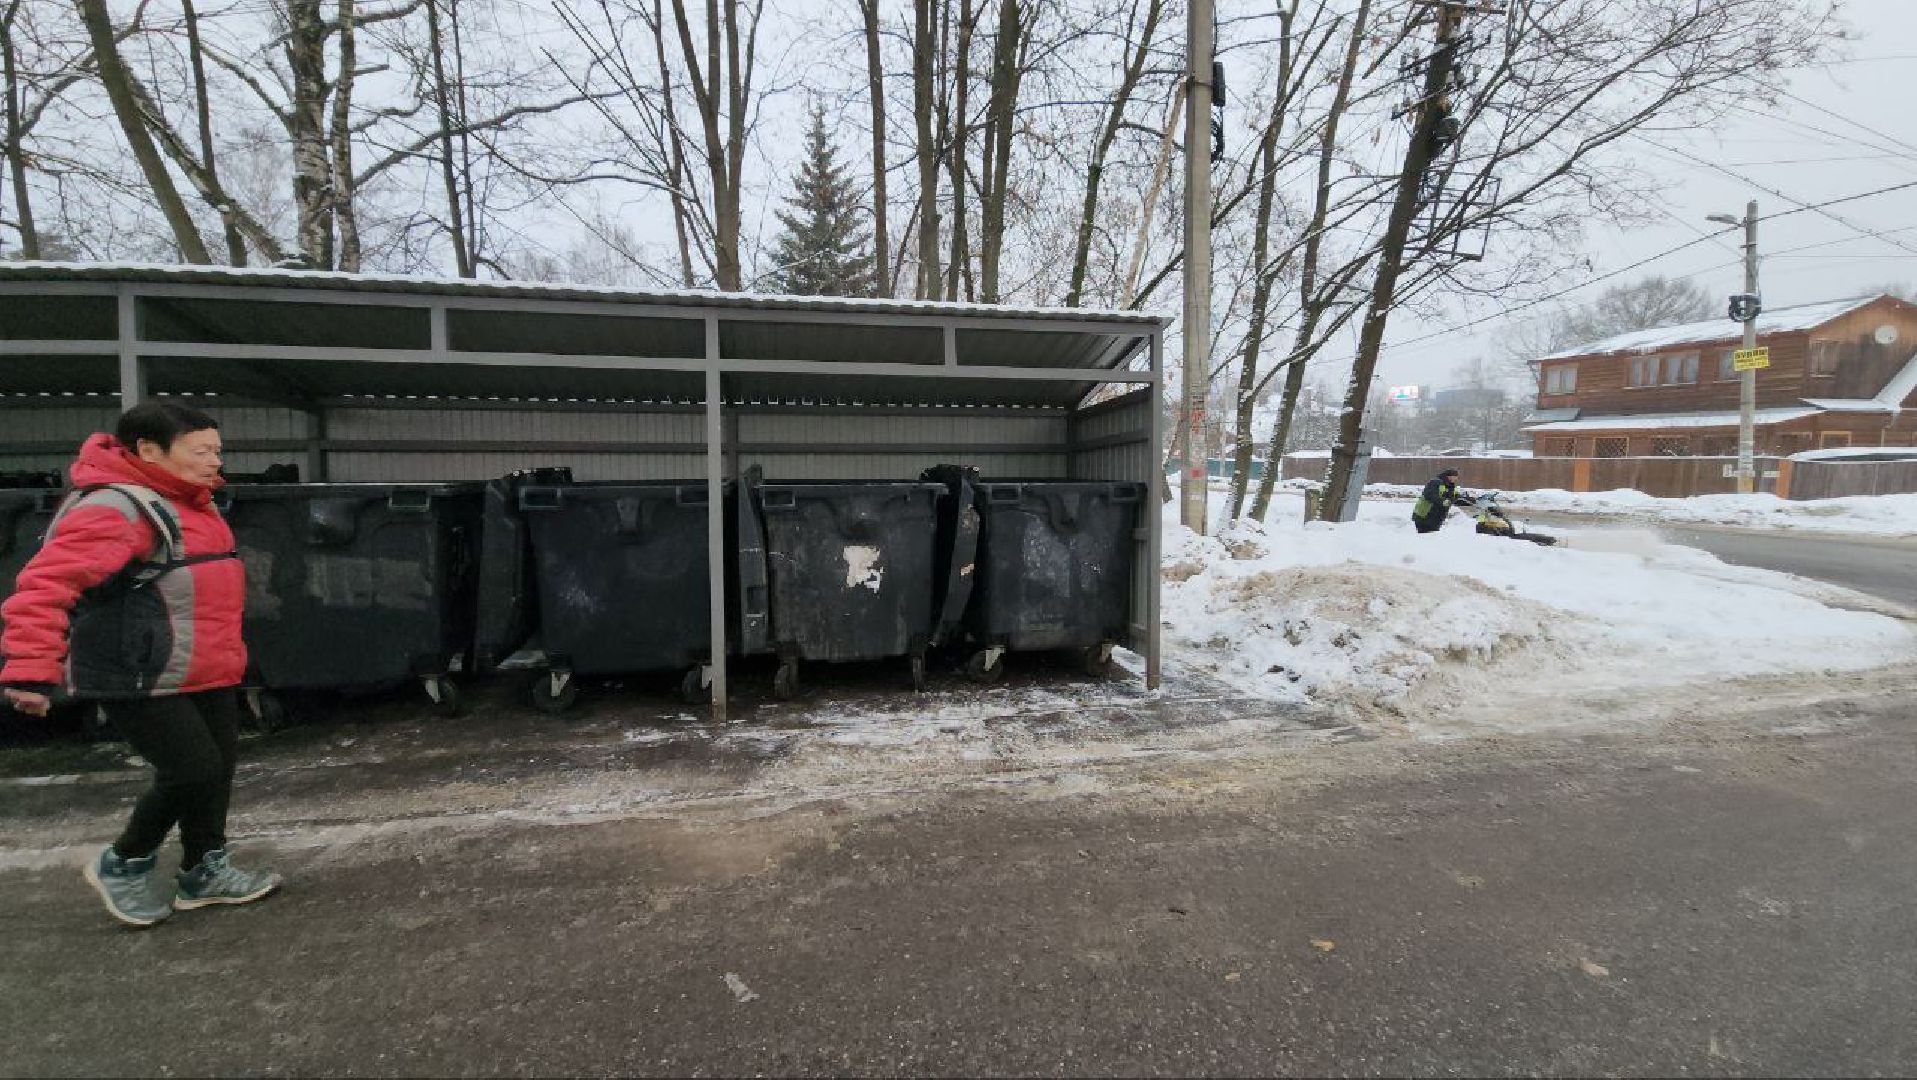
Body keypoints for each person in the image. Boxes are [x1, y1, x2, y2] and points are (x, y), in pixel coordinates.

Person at [1, 402, 280, 928]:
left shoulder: (195, 504)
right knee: (191, 769)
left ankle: (204, 870)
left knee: (215, 771)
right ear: (149, 450)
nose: (213, 461)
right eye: (200, 452)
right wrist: (30, 668)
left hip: (204, 665)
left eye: (216, 451)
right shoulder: (115, 508)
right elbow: (44, 587)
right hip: (140, 671)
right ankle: (124, 861)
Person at [1412, 467, 1466, 534]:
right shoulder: (1435, 482)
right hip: (1425, 516)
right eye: (1456, 476)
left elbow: (1454, 498)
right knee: (1425, 538)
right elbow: (1429, 495)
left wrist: (1467, 501)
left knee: (1432, 538)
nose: (1457, 479)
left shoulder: (1450, 486)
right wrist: (1444, 501)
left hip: (1437, 518)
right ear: (1449, 476)